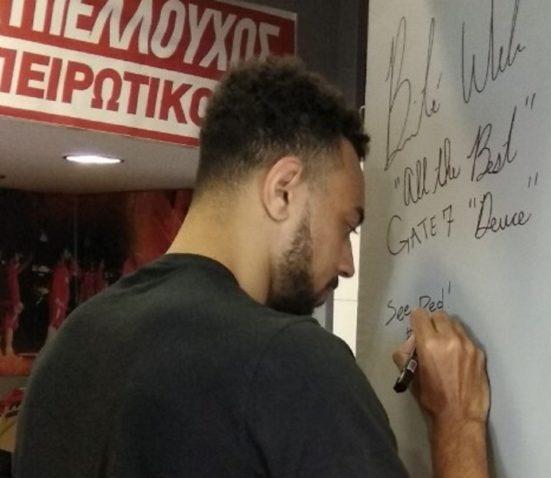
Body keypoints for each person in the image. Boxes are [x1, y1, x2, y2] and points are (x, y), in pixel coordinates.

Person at [15, 56, 490, 477]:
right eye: (346, 225)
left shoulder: (67, 350)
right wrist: (458, 425)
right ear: (283, 190)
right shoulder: (293, 364)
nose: (347, 263)